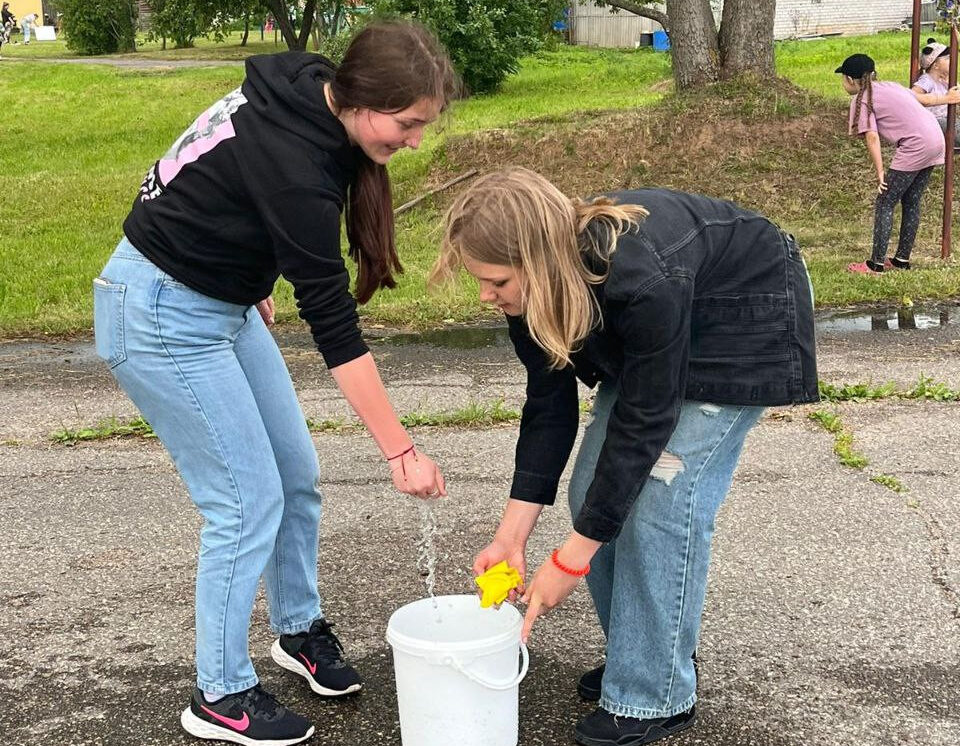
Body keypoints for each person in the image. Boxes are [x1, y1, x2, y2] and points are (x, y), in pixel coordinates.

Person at [93, 21, 457, 746]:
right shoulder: (297, 165)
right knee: (243, 502)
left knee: (295, 475)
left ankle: (297, 628)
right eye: (408, 124)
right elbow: (334, 329)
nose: (416, 141)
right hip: (161, 311)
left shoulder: (307, 85)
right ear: (360, 100)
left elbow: (218, 173)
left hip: (219, 297)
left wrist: (243, 264)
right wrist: (401, 450)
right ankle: (220, 694)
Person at [432, 166, 818, 746]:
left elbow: (645, 422)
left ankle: (654, 692)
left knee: (659, 500)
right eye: (480, 281)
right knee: (591, 487)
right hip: (666, 329)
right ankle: (646, 654)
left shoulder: (643, 275)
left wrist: (569, 563)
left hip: (743, 315)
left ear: (538, 261)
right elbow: (549, 407)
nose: (486, 295)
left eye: (497, 281)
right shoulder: (532, 293)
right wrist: (512, 536)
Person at [836, 53, 944, 274]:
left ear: (850, 79)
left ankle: (875, 264)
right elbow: (923, 100)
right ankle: (901, 260)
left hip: (915, 145)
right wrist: (949, 98)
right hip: (935, 139)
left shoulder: (862, 99)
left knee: (885, 201)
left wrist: (880, 172)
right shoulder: (892, 86)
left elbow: (872, 137)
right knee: (911, 200)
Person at [911, 38, 960, 146]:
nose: (953, 61)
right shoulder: (927, 80)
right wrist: (940, 99)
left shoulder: (946, 81)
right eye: (948, 58)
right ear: (935, 65)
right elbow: (912, 95)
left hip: (947, 119)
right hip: (934, 121)